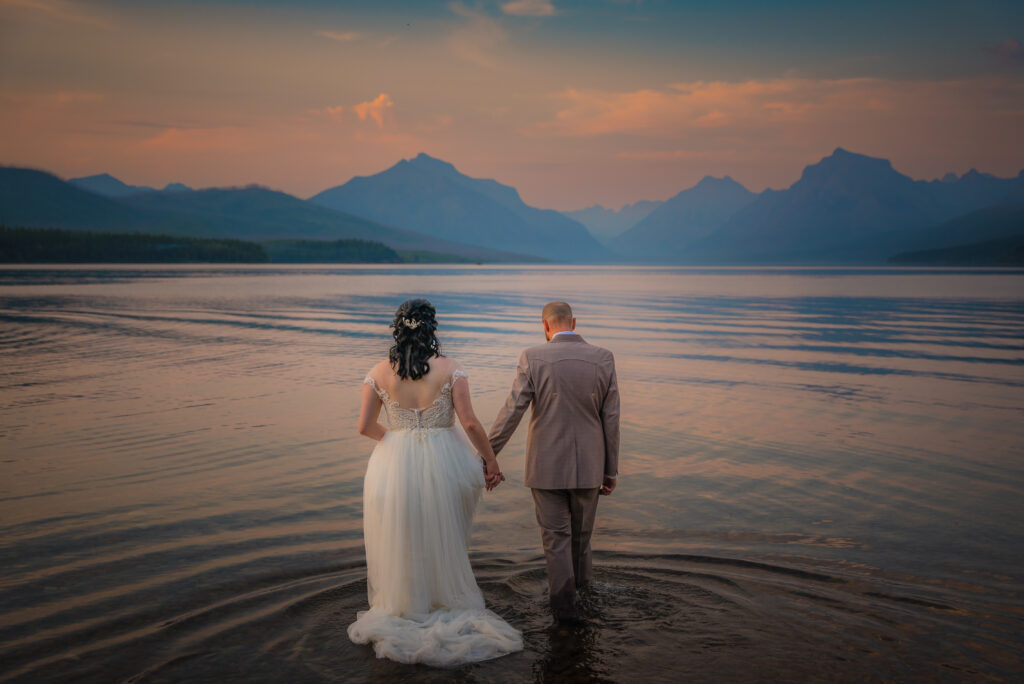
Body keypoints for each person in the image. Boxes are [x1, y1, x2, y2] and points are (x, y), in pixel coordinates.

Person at [348, 298, 523, 666]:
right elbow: (471, 424)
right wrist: (491, 463)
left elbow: (364, 427)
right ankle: (443, 597)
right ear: (432, 328)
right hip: (447, 462)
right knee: (443, 536)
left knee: (404, 537)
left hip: (392, 467)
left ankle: (408, 605)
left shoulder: (378, 372)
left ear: (398, 328)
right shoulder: (451, 369)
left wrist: (398, 441)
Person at [488, 301, 620, 623]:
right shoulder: (603, 358)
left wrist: (487, 455)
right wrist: (610, 469)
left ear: (544, 326)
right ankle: (585, 600)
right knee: (582, 538)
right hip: (591, 466)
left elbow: (512, 413)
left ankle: (564, 612)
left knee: (556, 540)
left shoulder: (532, 357)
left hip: (546, 468)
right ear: (574, 322)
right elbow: (611, 417)